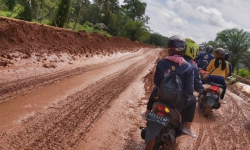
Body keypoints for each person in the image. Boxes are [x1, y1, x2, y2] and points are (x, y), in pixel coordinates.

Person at [142, 36, 197, 141]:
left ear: (169, 48)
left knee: (155, 90)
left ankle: (147, 112)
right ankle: (187, 127)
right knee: (193, 100)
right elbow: (189, 90)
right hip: (177, 102)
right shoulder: (188, 67)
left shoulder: (162, 62)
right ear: (184, 51)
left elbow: (157, 82)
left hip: (161, 96)